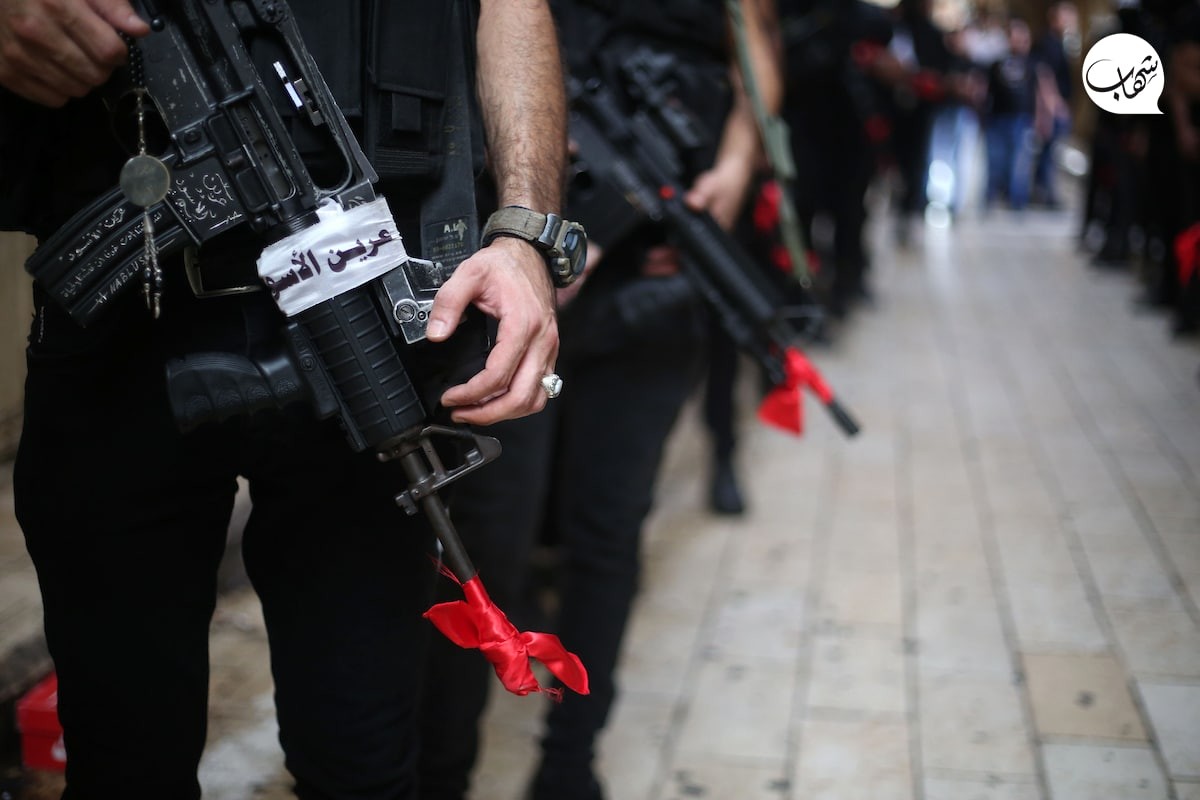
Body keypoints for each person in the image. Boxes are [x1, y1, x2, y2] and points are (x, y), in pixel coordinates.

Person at [0, 0, 567, 798]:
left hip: (367, 331)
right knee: (122, 764)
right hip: (125, 329)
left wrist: (528, 234)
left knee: (366, 766)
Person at [417, 1, 780, 798]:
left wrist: (734, 167)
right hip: (512, 254)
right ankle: (442, 773)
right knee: (486, 545)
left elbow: (756, 49)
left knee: (608, 533)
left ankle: (570, 764)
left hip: (651, 273)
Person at [984, 17, 1042, 210]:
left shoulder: (1032, 64)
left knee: (1020, 162)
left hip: (1022, 119)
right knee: (996, 159)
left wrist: (1039, 118)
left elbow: (1039, 92)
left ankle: (1016, 200)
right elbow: (987, 91)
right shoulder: (997, 63)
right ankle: (992, 196)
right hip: (998, 117)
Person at [1031, 1, 1078, 209]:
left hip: (1060, 104)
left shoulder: (1062, 42)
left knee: (1053, 152)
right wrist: (1053, 106)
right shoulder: (1048, 42)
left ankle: (1045, 191)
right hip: (1053, 107)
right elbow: (1044, 76)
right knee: (1050, 152)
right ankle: (1044, 193)